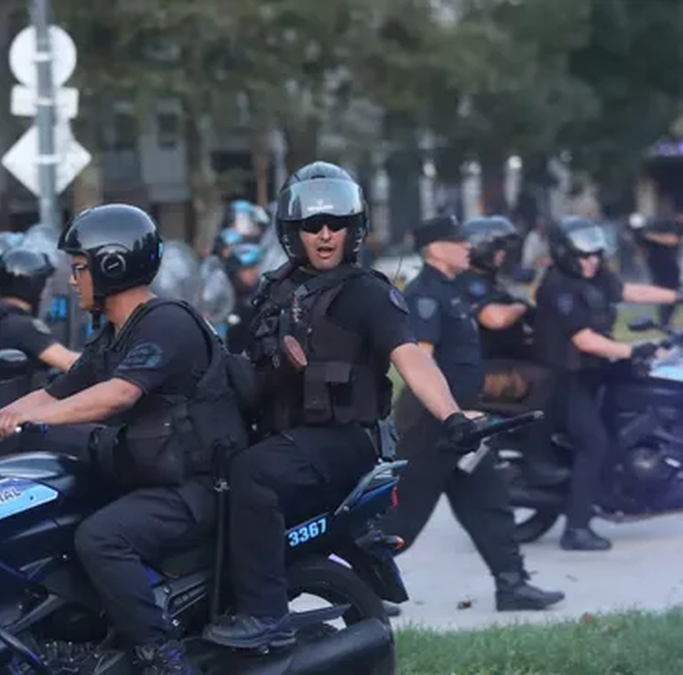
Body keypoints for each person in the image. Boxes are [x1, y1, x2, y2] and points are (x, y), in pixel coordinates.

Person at [202, 161, 481, 649]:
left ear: (355, 229)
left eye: (337, 224)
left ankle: (265, 615)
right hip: (286, 435)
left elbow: (412, 359)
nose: (325, 234)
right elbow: (246, 364)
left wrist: (451, 415)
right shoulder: (274, 291)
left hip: (342, 440)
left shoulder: (367, 293)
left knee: (252, 474)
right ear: (294, 232)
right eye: (312, 225)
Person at [0, 204, 248, 675]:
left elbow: (117, 395)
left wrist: (38, 423)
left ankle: (160, 655)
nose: (72, 281)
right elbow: (54, 391)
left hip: (198, 485)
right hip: (153, 477)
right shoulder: (113, 335)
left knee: (101, 537)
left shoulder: (167, 322)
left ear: (113, 266)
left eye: (80, 269)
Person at [377, 214, 565, 614]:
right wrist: (452, 412)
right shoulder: (425, 293)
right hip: (431, 423)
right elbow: (419, 362)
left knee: (490, 500)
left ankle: (512, 585)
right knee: (402, 516)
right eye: (457, 240)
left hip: (463, 423)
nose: (467, 246)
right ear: (435, 249)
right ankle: (359, 591)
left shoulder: (452, 290)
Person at [532, 217, 682, 551]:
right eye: (585, 257)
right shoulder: (558, 286)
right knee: (593, 443)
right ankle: (577, 528)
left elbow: (628, 290)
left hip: (593, 371)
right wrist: (631, 349)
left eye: (596, 256)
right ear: (565, 254)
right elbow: (584, 340)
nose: (592, 262)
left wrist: (679, 295)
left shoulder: (595, 275)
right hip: (564, 378)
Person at [457, 215, 567, 486]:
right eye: (497, 248)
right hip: (477, 369)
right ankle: (536, 459)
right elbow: (494, 318)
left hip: (498, 360)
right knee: (545, 379)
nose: (502, 254)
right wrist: (522, 307)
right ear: (480, 248)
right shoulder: (468, 283)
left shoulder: (491, 281)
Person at [0, 248, 80, 373]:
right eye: (43, 280)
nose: (45, 286)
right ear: (34, 283)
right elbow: (68, 363)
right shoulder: (24, 326)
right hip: (20, 392)